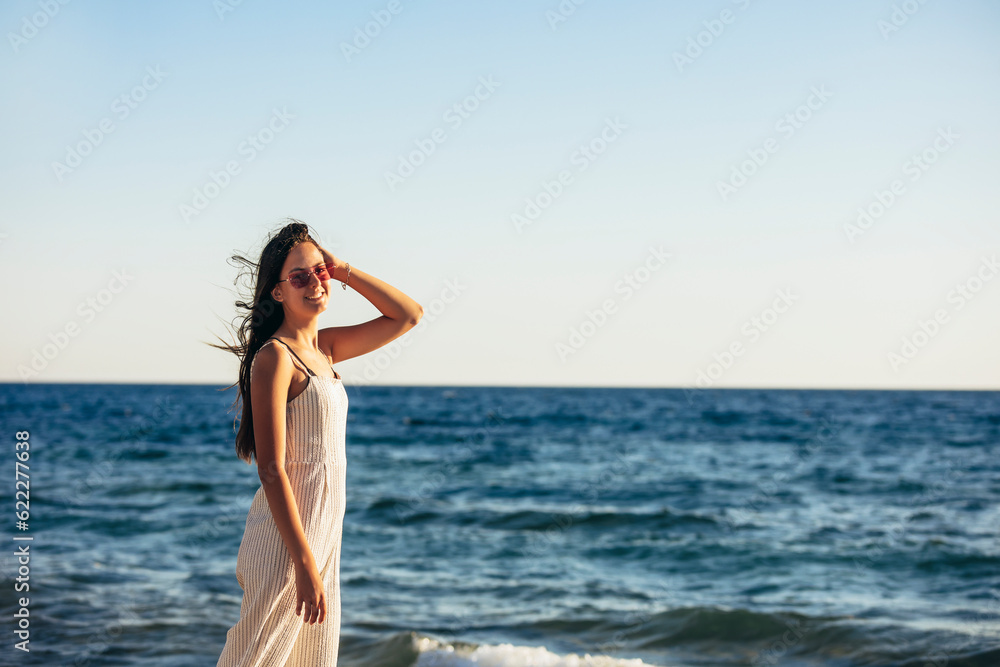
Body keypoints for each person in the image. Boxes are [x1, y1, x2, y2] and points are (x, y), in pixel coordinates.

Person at [212, 220, 423, 666]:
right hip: (287, 547)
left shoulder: (325, 350)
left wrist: (342, 269)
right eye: (299, 277)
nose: (314, 283)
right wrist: (303, 563)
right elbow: (271, 469)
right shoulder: (275, 357)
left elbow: (408, 315)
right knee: (253, 659)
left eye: (318, 271)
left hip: (324, 542)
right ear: (277, 292)